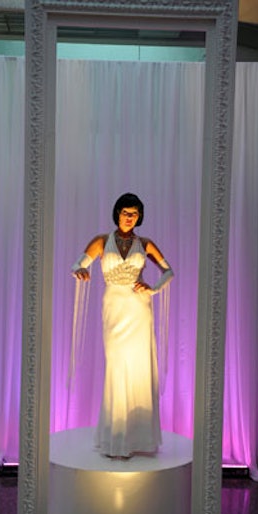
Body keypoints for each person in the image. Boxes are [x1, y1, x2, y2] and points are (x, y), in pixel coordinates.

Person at [71, 193, 174, 459]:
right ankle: (115, 435)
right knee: (117, 366)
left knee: (139, 367)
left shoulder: (145, 244)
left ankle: (138, 437)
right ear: (117, 213)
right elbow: (78, 263)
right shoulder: (102, 241)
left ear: (139, 216)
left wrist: (153, 289)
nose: (129, 218)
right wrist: (80, 270)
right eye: (126, 212)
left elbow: (168, 271)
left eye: (135, 214)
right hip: (114, 308)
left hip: (139, 308)